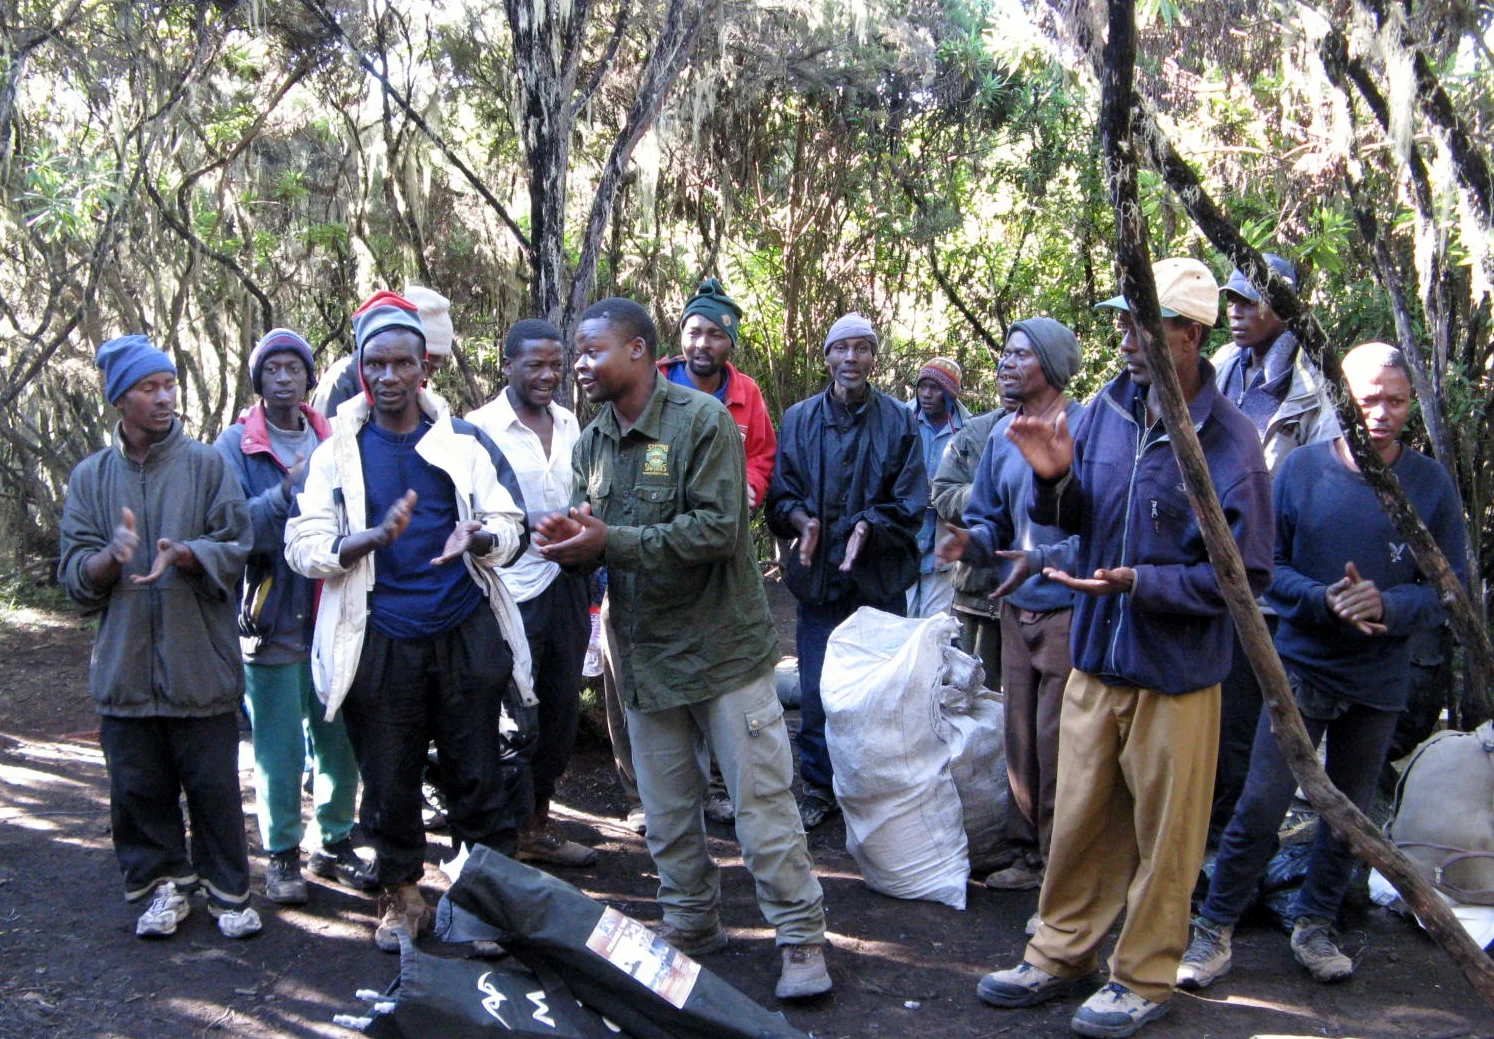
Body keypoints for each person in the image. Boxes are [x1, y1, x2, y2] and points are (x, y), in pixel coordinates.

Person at [975, 258, 1273, 1039]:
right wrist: (1051, 483)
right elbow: (1079, 513)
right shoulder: (1107, 409)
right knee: (1078, 820)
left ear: (1190, 334)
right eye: (1123, 320)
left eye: (1146, 322)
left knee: (1166, 837)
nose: (1127, 337)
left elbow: (1247, 576)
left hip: (1176, 676)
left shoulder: (1231, 441)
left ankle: (1143, 975)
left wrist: (1144, 582)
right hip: (1097, 658)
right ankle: (1059, 952)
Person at [535, 297, 832, 1000]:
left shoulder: (702, 423)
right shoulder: (591, 442)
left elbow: (717, 531)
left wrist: (612, 542)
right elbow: (592, 534)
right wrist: (568, 546)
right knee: (668, 813)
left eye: (591, 350)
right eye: (576, 351)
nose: (580, 364)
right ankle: (692, 922)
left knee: (761, 807)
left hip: (723, 650)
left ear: (639, 350)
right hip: (644, 654)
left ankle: (800, 937)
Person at [1178, 342, 1466, 990]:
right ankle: (1212, 929)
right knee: (1261, 802)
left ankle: (1315, 922)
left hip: (1380, 674)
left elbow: (1449, 587)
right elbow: (1266, 568)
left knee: (1350, 812)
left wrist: (1387, 602)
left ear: (1410, 402)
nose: (1383, 412)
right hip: (1301, 664)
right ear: (1342, 396)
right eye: (1369, 399)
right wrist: (1326, 598)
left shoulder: (1429, 486)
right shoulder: (1303, 471)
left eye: (1396, 400)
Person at [285, 290, 533, 952]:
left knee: (476, 769)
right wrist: (356, 543)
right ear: (361, 368)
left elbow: (513, 525)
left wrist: (478, 536)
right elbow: (302, 543)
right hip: (380, 637)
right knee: (389, 777)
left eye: (402, 363)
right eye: (377, 364)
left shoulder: (462, 442)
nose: (389, 376)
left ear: (426, 367)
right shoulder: (335, 452)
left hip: (460, 630)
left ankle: (485, 900)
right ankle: (402, 896)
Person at [58, 334, 261, 940]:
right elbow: (73, 575)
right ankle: (164, 888)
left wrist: (190, 555)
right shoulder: (91, 479)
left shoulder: (206, 465)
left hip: (200, 663)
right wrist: (107, 561)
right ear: (120, 399)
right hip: (124, 670)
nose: (165, 397)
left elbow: (238, 544)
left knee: (213, 787)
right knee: (138, 788)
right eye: (150, 388)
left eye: (170, 384)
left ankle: (229, 894)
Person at [613, 277, 778, 827]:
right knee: (650, 680)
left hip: (715, 554)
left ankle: (716, 785)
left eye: (714, 334)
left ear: (730, 343)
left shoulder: (745, 394)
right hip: (648, 555)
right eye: (693, 331)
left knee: (719, 669)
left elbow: (761, 454)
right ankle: (650, 795)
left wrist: (749, 487)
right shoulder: (652, 381)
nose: (702, 343)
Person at [215, 329, 369, 905]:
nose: (284, 378)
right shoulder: (236, 446)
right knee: (277, 747)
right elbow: (231, 532)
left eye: (293, 369)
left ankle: (333, 841)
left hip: (334, 611)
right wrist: (285, 492)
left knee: (338, 738)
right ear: (259, 381)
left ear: (310, 378)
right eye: (272, 369)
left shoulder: (337, 436)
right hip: (271, 617)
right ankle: (281, 854)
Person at [938, 318, 1083, 899]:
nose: (1006, 364)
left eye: (1021, 355)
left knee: (1058, 738)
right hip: (1013, 605)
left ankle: (1061, 860)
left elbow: (1095, 529)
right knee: (1020, 735)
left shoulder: (1085, 430)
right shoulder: (1000, 437)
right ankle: (1027, 852)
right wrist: (967, 542)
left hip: (1068, 608)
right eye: (1005, 354)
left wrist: (1043, 560)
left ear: (1051, 363)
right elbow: (992, 521)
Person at [766, 313, 926, 829]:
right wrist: (800, 520)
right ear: (828, 356)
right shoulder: (799, 418)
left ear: (874, 358)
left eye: (862, 348)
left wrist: (867, 528)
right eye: (842, 348)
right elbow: (780, 492)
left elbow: (910, 503)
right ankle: (818, 786)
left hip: (877, 581)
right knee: (815, 690)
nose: (851, 358)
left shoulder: (901, 420)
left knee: (878, 692)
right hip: (817, 580)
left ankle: (871, 787)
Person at [1208, 252, 1341, 844]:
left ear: (1285, 308)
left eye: (1250, 300)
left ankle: (1223, 845)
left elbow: (1323, 487)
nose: (1236, 312)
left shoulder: (1314, 388)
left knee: (1242, 721)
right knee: (1204, 711)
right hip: (1205, 571)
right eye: (1231, 300)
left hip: (1265, 586)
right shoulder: (1219, 369)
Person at [467, 318, 596, 868]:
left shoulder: (570, 423)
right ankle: (507, 832)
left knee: (562, 705)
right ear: (507, 365)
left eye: (556, 367)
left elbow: (586, 493)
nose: (548, 376)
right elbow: (471, 514)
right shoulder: (477, 429)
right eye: (535, 366)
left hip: (565, 584)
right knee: (515, 713)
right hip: (507, 591)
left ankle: (538, 823)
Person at [930, 400, 1007, 682]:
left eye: (1022, 358)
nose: (1010, 374)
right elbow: (943, 494)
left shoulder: (1071, 426)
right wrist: (986, 492)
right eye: (1004, 368)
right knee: (973, 693)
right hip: (977, 593)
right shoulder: (972, 433)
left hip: (1039, 602)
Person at [313, 285, 454, 418]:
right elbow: (327, 434)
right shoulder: (341, 380)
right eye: (404, 363)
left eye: (432, 370)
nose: (389, 377)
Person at [906, 356, 971, 617]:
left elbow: (972, 483)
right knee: (903, 621)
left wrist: (939, 493)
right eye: (922, 387)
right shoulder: (903, 419)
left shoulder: (968, 430)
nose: (926, 394)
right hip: (905, 540)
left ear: (949, 393)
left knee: (934, 628)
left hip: (943, 543)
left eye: (935, 388)